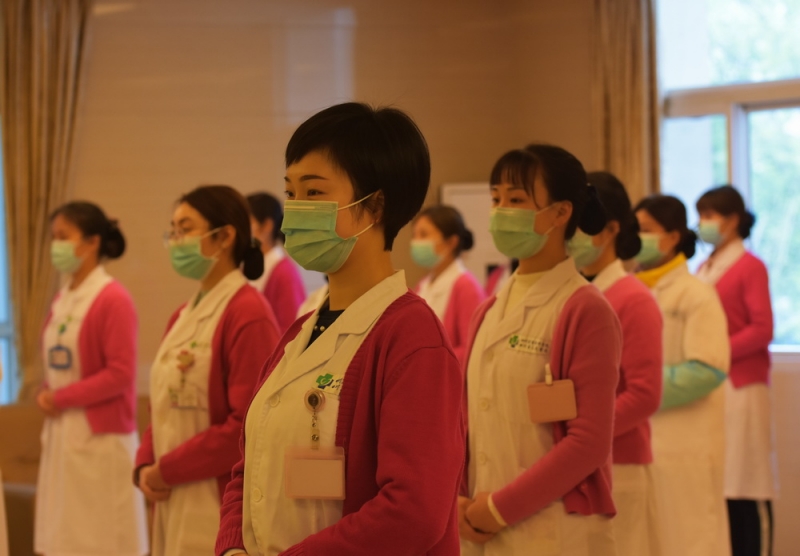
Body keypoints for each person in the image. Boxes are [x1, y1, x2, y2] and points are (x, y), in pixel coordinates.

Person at [215, 102, 464, 556]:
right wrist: (233, 547)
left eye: (313, 193)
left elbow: (413, 510)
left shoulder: (412, 338)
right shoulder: (299, 333)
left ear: (374, 206)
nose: (295, 210)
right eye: (290, 192)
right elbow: (248, 466)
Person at [459, 146, 622, 556]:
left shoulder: (585, 309)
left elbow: (589, 442)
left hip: (553, 528)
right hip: (480, 524)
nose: (500, 211)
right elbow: (469, 420)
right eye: (496, 198)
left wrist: (499, 509)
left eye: (516, 200)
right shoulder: (488, 310)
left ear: (560, 212)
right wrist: (459, 500)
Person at [135, 185, 281, 556]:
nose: (175, 240)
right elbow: (161, 405)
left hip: (216, 496)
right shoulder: (182, 316)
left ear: (224, 236)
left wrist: (167, 469)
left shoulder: (248, 313)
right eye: (173, 231)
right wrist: (145, 464)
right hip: (172, 491)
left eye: (185, 229)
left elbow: (247, 426)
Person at [34, 201, 148, 556]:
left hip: (100, 437)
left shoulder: (113, 298)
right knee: (65, 537)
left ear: (92, 242)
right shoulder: (63, 297)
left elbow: (120, 373)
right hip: (63, 433)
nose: (56, 245)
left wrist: (60, 397)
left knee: (100, 539)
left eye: (63, 236)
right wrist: (44, 391)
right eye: (53, 237)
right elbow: (56, 361)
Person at [568, 171, 663, 556]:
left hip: (620, 464)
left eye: (581, 224)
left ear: (610, 230)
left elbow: (644, 394)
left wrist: (583, 434)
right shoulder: (577, 294)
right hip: (576, 464)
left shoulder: (633, 299)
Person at [633, 194, 731, 556]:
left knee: (688, 540)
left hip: (684, 445)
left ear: (673, 237)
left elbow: (707, 370)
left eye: (646, 230)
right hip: (643, 442)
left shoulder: (696, 295)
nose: (637, 238)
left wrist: (638, 388)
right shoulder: (630, 290)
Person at [696, 185, 777, 556]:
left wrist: (718, 352)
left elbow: (762, 328)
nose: (703, 223)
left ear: (732, 220)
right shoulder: (705, 266)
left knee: (746, 482)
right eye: (701, 215)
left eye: (709, 216)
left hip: (741, 386)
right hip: (710, 385)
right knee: (720, 482)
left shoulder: (750, 266)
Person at [412, 205, 486, 363]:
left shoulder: (466, 287)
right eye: (415, 235)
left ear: (451, 242)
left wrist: (429, 359)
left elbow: (472, 349)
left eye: (423, 234)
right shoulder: (423, 285)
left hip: (445, 374)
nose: (416, 241)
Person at [247, 192, 307, 332]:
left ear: (266, 225)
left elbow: (292, 330)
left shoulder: (284, 273)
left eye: (247, 222)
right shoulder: (249, 266)